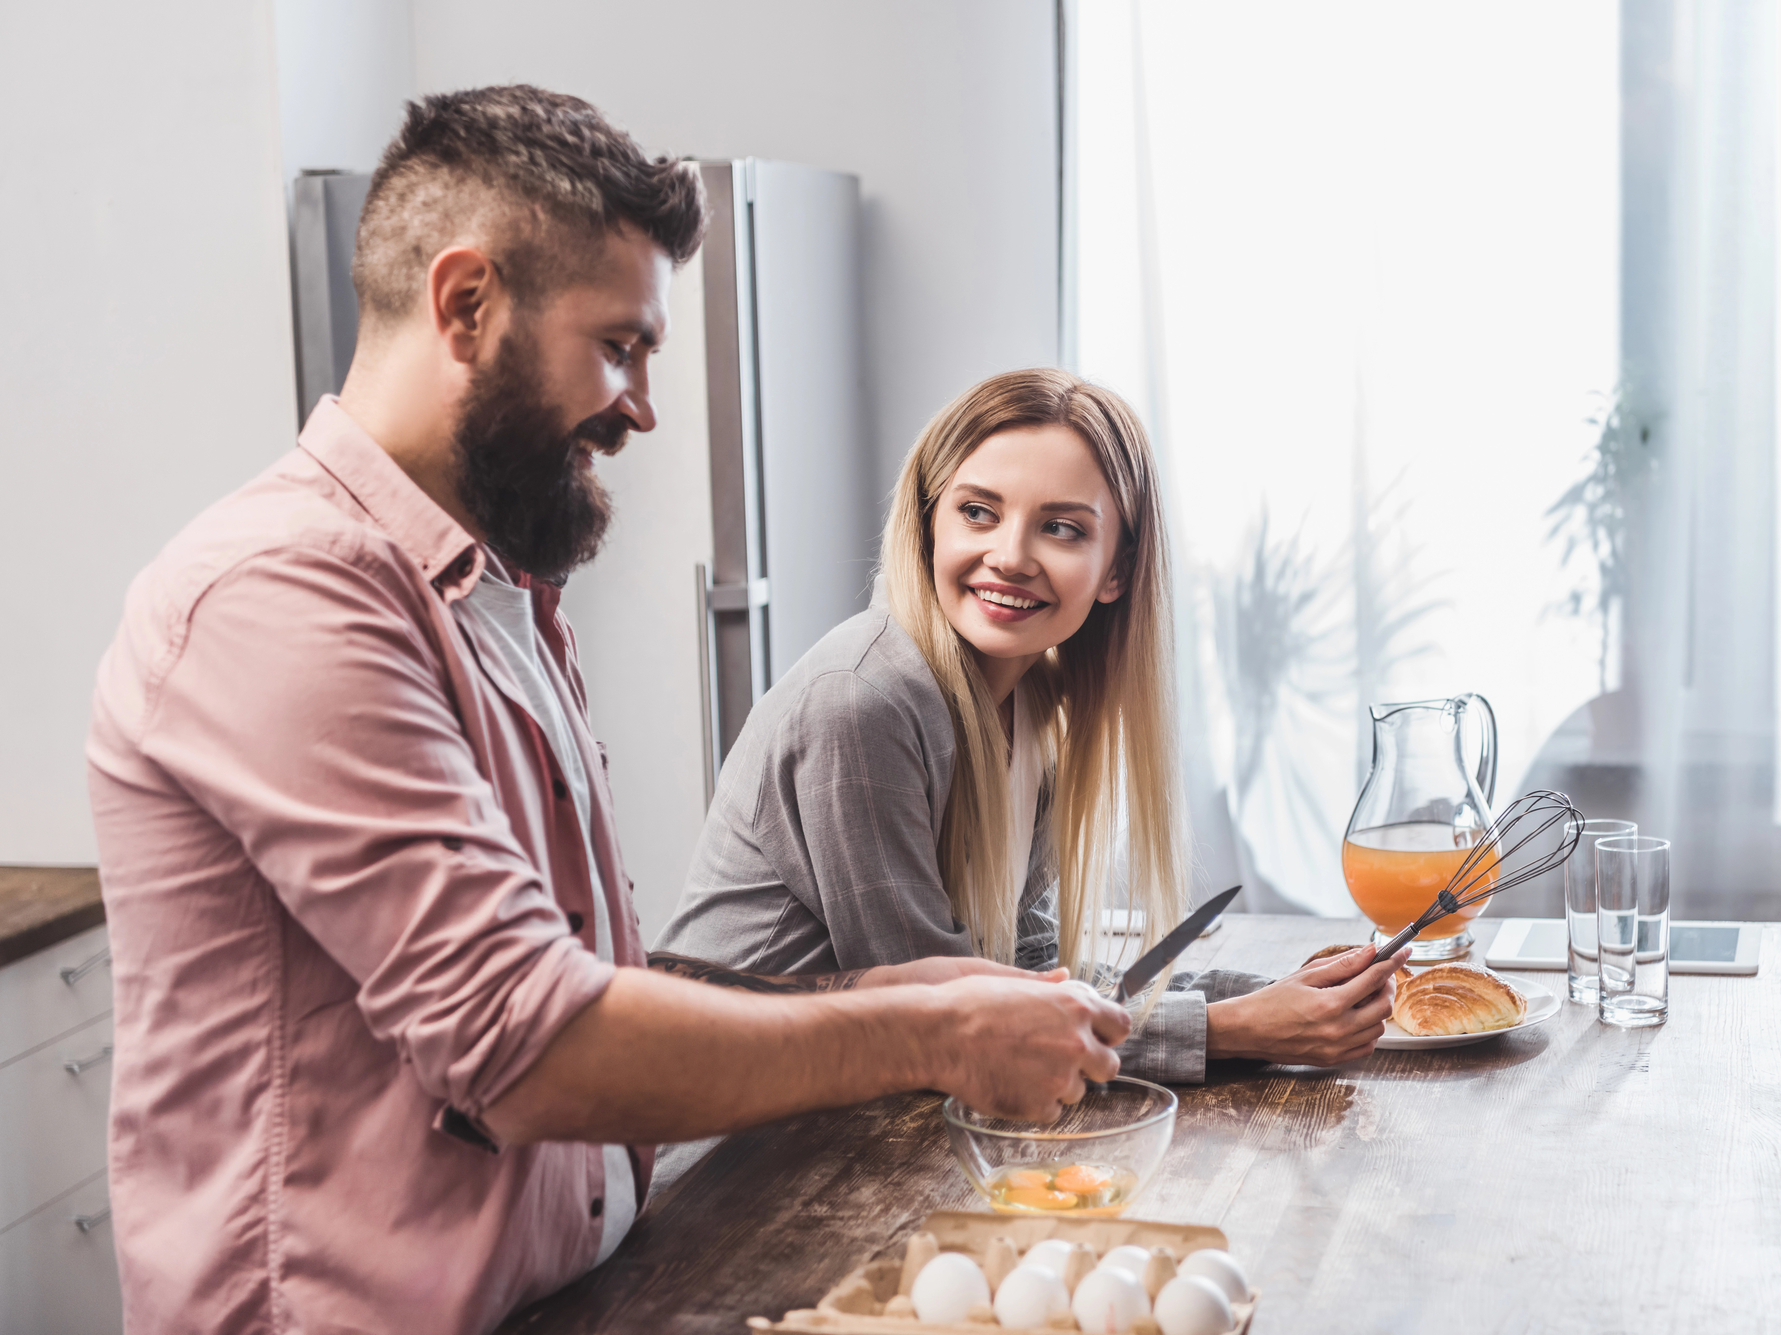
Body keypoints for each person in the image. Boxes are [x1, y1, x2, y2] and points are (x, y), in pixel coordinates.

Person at [85, 87, 1129, 1335]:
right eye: (619, 346)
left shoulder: (500, 594)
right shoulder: (281, 593)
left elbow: (595, 984)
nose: (640, 406)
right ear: (465, 304)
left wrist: (875, 996)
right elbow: (526, 1045)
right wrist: (932, 1031)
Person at [663, 369, 1408, 1083]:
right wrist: (1235, 1030)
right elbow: (957, 1030)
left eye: (1060, 527)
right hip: (731, 1170)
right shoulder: (860, 706)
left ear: (1117, 570)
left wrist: (1266, 991)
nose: (1010, 557)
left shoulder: (1033, 712)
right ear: (928, 524)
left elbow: (1030, 973)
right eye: (978, 512)